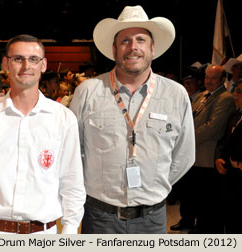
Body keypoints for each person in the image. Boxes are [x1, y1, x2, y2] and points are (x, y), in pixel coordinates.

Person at [69, 5, 195, 234]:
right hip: (99, 218)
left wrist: (153, 183)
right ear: (114, 50)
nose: (133, 47)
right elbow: (73, 152)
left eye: (141, 40)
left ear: (153, 48)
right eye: (125, 41)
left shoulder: (176, 94)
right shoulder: (88, 91)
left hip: (153, 218)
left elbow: (184, 155)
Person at [0, 34, 85, 234]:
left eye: (33, 59)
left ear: (43, 65)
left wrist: (70, 228)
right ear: (6, 64)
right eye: (18, 59)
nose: (26, 66)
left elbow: (72, 180)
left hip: (44, 234)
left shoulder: (63, 119)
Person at [186, 65, 235, 234]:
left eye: (213, 78)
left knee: (209, 201)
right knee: (198, 198)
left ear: (222, 80)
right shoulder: (201, 95)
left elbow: (212, 127)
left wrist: (187, 140)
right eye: (207, 77)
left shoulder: (225, 98)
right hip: (194, 156)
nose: (209, 81)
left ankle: (208, 233)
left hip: (208, 157)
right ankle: (199, 228)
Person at [215, 78, 242, 234]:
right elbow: (227, 141)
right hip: (231, 179)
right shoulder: (236, 115)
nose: (234, 95)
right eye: (235, 90)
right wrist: (220, 159)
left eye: (239, 92)